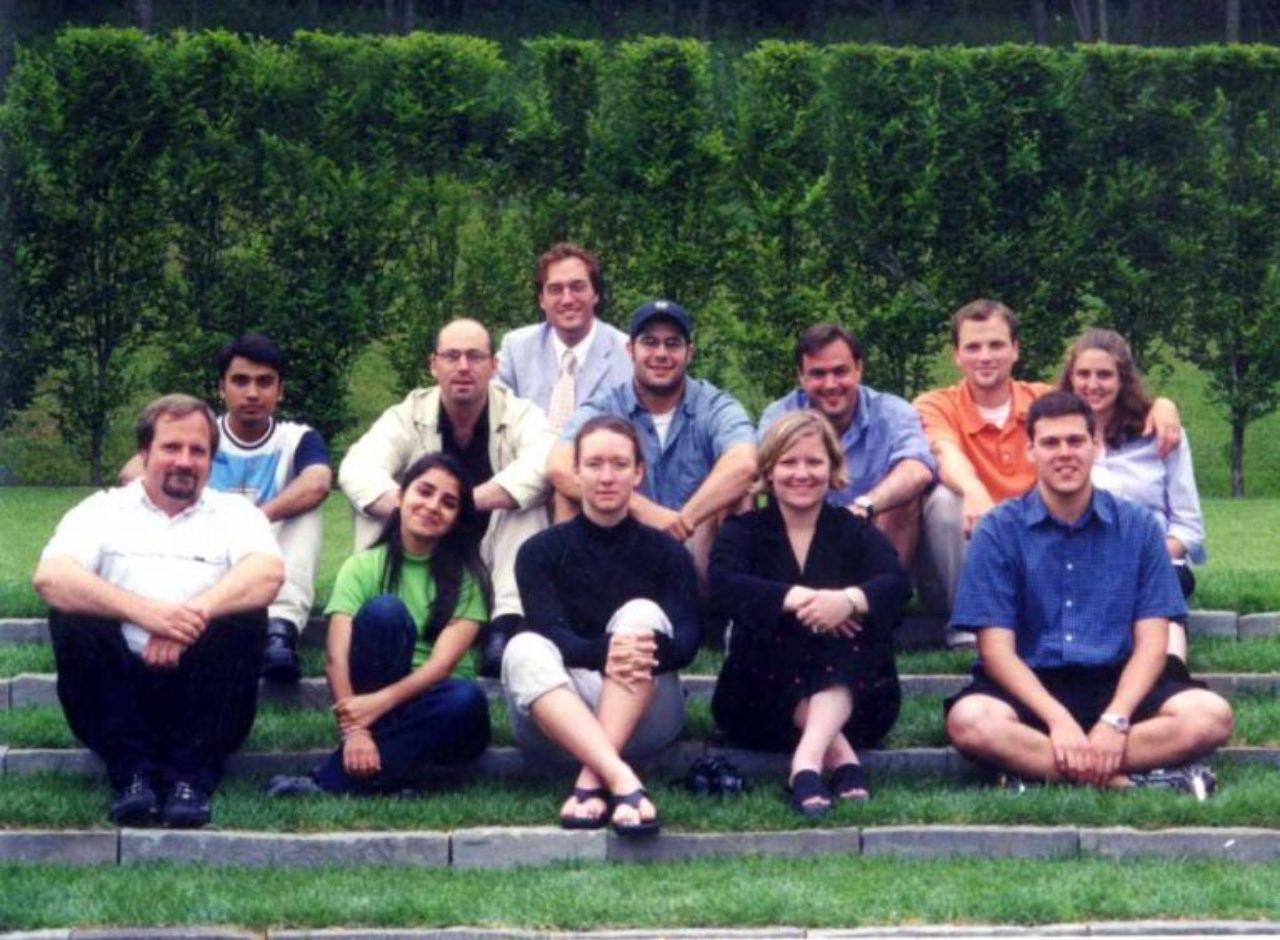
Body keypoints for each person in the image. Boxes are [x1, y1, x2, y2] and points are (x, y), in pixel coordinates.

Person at [943, 391, 1233, 795]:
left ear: (1095, 446)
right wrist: (1059, 721)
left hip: (1120, 678)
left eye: (1076, 441)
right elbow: (996, 652)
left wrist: (1115, 720)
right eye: (1050, 443)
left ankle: (1038, 768)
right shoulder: (998, 531)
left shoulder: (1139, 527)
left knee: (1210, 716)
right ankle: (1124, 781)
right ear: (1030, 451)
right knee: (970, 721)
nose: (1065, 453)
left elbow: (1153, 644)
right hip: (1032, 681)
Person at [34, 394, 284, 828]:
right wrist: (146, 614)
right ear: (145, 452)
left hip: (203, 695)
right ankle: (132, 776)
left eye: (197, 450)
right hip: (118, 692)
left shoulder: (235, 515)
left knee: (246, 614)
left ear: (211, 459)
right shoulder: (102, 510)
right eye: (171, 447)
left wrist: (188, 619)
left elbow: (267, 574)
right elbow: (51, 577)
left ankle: (191, 780)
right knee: (72, 614)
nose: (184, 461)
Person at [913, 299, 1181, 647]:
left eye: (996, 345)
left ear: (1015, 350)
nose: (985, 356)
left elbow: (1103, 400)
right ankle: (968, 624)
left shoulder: (1045, 400)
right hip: (967, 554)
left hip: (1036, 559)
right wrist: (974, 490)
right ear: (957, 355)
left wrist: (1163, 405)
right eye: (973, 347)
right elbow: (945, 452)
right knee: (946, 500)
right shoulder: (935, 404)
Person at [502, 415, 700, 835]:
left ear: (638, 473)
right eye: (593, 464)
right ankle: (621, 779)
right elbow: (550, 630)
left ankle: (592, 780)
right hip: (557, 719)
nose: (606, 477)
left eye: (619, 464)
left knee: (641, 615)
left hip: (644, 713)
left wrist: (631, 648)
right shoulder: (539, 552)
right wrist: (608, 652)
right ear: (575, 472)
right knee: (523, 647)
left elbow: (686, 642)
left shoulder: (668, 552)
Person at [710, 410, 912, 815]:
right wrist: (797, 598)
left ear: (833, 468)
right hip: (758, 704)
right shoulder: (742, 530)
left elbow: (896, 584)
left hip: (859, 707)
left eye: (814, 461)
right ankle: (840, 759)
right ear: (769, 470)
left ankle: (805, 765)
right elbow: (723, 584)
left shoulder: (853, 530)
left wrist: (848, 601)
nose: (801, 473)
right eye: (789, 462)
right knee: (774, 633)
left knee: (851, 633)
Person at [339, 317, 555, 677]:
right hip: (427, 547)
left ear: (494, 366)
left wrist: (463, 502)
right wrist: (420, 509)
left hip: (491, 551)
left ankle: (504, 628)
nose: (463, 367)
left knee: (525, 504)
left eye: (475, 356)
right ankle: (378, 611)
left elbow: (544, 460)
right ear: (434, 365)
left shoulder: (520, 413)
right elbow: (356, 467)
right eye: (452, 356)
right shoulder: (409, 413)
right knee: (369, 503)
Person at [267, 453, 492, 796]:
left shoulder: (468, 579)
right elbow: (336, 658)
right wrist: (355, 732)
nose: (432, 506)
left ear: (457, 517)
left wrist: (375, 707)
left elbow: (440, 667)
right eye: (424, 492)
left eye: (448, 503)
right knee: (384, 611)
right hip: (373, 710)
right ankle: (395, 774)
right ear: (401, 496)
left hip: (441, 713)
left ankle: (329, 779)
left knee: (466, 697)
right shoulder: (362, 567)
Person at [123, 333, 331, 682]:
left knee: (306, 512)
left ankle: (280, 632)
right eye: (240, 381)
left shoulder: (297, 438)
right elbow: (131, 472)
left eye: (264, 382)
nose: (252, 393)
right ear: (221, 388)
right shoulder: (203, 434)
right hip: (208, 549)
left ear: (280, 391)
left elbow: (319, 481)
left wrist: (253, 519)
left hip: (268, 551)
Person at [546, 299, 757, 586]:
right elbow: (558, 466)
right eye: (649, 343)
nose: (661, 353)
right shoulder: (605, 406)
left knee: (738, 494)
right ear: (630, 350)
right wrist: (641, 509)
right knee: (567, 492)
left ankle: (724, 621)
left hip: (696, 545)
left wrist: (682, 522)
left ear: (689, 352)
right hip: (620, 542)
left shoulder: (714, 405)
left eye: (672, 344)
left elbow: (745, 463)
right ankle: (579, 607)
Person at [1059, 328, 1205, 661]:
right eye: (1083, 374)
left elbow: (1189, 529)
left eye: (1104, 375)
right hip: (1078, 558)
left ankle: (1171, 672)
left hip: (1155, 558)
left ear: (1123, 380)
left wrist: (1141, 553)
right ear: (1070, 378)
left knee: (1158, 585)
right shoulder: (1056, 436)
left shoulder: (1163, 437)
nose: (1092, 384)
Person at [759, 323, 935, 566]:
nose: (831, 384)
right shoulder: (780, 414)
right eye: (818, 374)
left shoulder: (892, 412)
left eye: (840, 371)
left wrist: (864, 506)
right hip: (801, 535)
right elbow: (760, 474)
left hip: (872, 535)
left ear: (858, 369)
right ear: (801, 376)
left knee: (906, 496)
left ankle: (885, 598)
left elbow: (918, 469)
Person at [496, 243, 632, 430]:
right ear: (542, 300)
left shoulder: (627, 354)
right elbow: (493, 415)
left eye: (577, 287)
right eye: (555, 289)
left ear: (596, 294)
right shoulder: (516, 349)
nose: (567, 299)